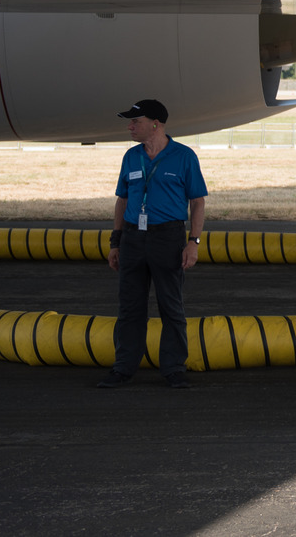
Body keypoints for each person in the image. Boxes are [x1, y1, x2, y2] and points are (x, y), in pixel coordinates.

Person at [97, 99, 208, 389]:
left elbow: (197, 202)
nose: (130, 126)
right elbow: (122, 200)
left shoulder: (184, 157)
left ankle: (173, 369)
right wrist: (116, 242)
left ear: (155, 124)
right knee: (130, 308)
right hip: (134, 238)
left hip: (168, 238)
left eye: (136, 121)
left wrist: (193, 242)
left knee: (171, 306)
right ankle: (123, 368)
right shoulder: (131, 157)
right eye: (130, 122)